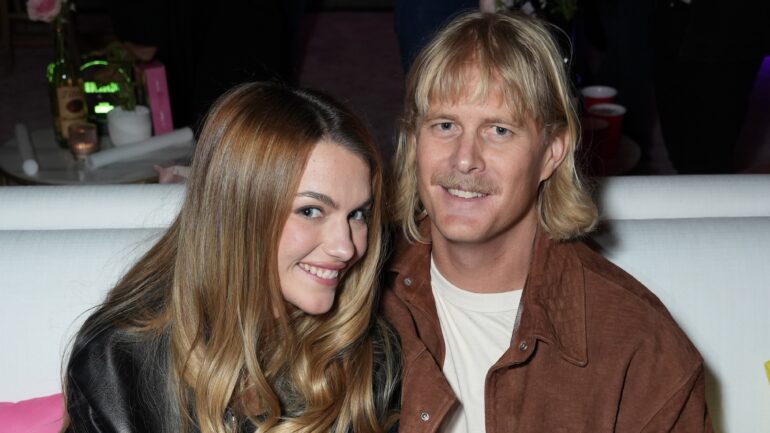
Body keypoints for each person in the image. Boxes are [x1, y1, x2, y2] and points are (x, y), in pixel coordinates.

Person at [384, 11, 712, 432]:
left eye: (498, 130)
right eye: (444, 125)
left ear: (552, 152)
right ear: (415, 141)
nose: (464, 158)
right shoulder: (359, 295)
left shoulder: (641, 349)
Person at [61, 82, 400, 433]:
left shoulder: (368, 352)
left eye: (357, 214)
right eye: (312, 210)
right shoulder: (120, 365)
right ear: (239, 213)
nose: (346, 247)